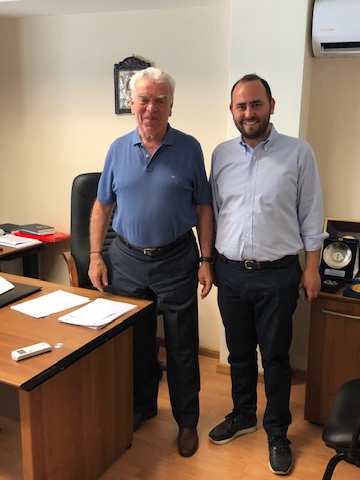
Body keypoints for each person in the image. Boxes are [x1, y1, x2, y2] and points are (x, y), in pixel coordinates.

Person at [88, 67, 214, 458]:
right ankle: (142, 406)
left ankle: (187, 421)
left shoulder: (189, 148)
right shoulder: (117, 149)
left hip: (177, 259)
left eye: (160, 100)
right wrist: (95, 256)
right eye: (144, 99)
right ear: (132, 104)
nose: (151, 108)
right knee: (135, 343)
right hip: (126, 259)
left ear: (171, 106)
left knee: (181, 345)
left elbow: (204, 208)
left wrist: (206, 259)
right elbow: (102, 206)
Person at [208, 74, 327, 475]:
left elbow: (311, 214)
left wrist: (311, 268)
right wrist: (209, 262)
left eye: (256, 104)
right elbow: (215, 212)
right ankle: (244, 415)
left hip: (278, 275)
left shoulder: (298, 153)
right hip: (230, 273)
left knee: (275, 358)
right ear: (232, 110)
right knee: (238, 353)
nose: (249, 113)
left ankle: (277, 431)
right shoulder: (221, 155)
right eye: (241, 106)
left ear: (271, 106)